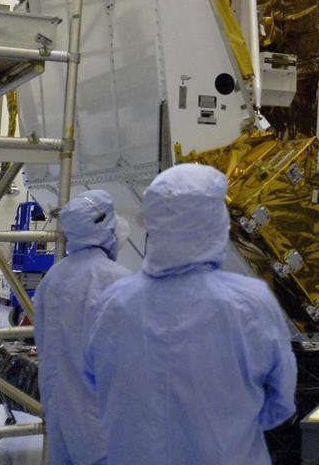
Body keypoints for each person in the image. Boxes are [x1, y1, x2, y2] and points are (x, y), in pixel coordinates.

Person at [84, 164, 296, 465]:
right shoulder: (251, 303)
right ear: (214, 221)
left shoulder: (114, 303)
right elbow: (280, 404)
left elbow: (97, 385)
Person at [32, 190, 128, 465]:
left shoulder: (53, 278)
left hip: (61, 415)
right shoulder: (118, 281)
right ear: (104, 226)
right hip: (104, 422)